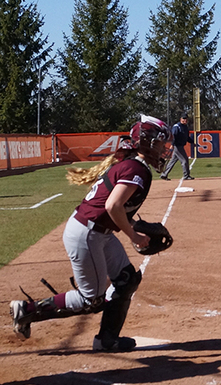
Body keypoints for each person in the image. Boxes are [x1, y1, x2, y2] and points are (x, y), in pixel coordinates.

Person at [10, 115, 173, 351]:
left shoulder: (133, 165)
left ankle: (107, 340)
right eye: (159, 143)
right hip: (88, 233)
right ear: (145, 142)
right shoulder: (136, 169)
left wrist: (137, 228)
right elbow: (112, 206)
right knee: (92, 299)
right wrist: (134, 236)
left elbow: (118, 212)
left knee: (126, 280)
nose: (163, 150)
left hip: (98, 232)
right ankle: (26, 311)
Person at [160, 113, 195, 181]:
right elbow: (174, 136)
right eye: (183, 119)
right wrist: (172, 145)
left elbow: (187, 137)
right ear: (180, 119)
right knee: (184, 160)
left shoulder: (185, 127)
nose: (185, 120)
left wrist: (192, 142)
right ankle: (186, 175)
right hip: (177, 146)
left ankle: (164, 175)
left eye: (186, 119)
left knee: (172, 161)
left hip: (180, 145)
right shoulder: (177, 126)